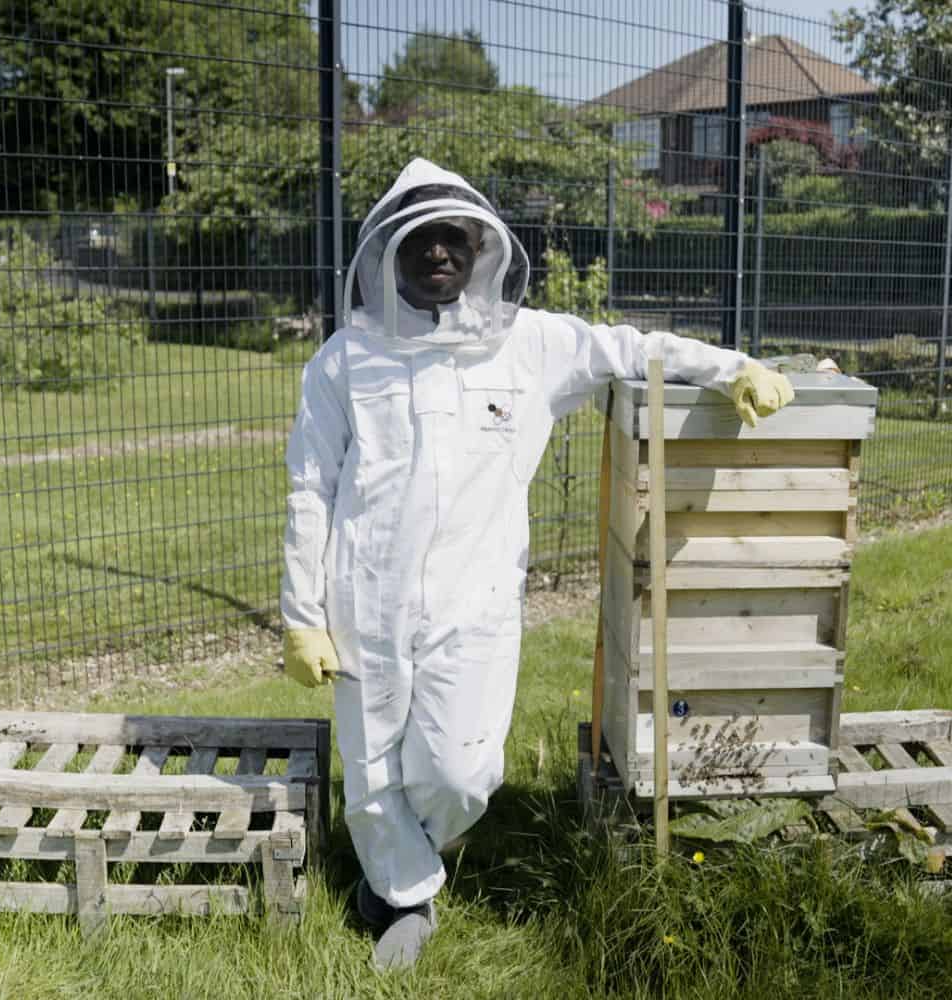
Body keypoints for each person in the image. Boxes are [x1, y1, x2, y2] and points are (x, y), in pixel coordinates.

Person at [279, 158, 794, 969]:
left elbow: (635, 347)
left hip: (475, 599)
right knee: (372, 761)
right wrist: (302, 616)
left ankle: (406, 852)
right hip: (363, 598)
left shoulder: (532, 345)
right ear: (389, 251)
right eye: (422, 239)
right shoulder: (347, 360)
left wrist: (735, 369)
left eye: (455, 239)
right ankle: (401, 897)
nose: (439, 254)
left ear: (482, 249)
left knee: (461, 772)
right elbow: (311, 487)